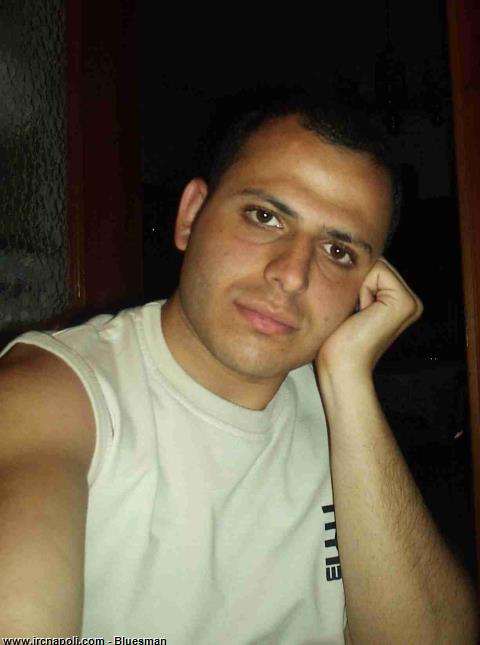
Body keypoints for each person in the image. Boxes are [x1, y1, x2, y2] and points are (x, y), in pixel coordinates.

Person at [0, 98, 477, 643]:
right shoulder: (52, 396)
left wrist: (348, 381)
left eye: (338, 251)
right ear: (190, 216)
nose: (292, 274)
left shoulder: (338, 407)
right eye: (265, 217)